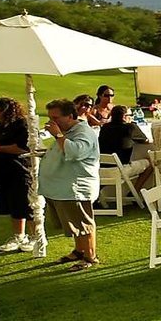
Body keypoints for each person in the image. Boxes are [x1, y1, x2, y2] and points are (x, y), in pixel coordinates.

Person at [41, 98, 100, 270]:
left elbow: (75, 152)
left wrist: (58, 134)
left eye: (56, 117)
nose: (52, 122)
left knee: (83, 223)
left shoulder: (83, 132)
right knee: (73, 222)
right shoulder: (69, 130)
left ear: (70, 116)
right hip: (62, 188)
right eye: (50, 117)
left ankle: (90, 257)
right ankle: (79, 250)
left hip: (76, 187)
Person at [0, 97, 35, 250]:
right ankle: (19, 236)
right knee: (12, 204)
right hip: (3, 171)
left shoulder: (22, 125)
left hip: (20, 170)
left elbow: (22, 148)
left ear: (3, 110)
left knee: (25, 203)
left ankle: (35, 236)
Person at [99, 105, 157, 193]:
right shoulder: (130, 127)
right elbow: (145, 140)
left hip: (102, 169)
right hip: (121, 169)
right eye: (130, 115)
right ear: (124, 116)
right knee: (150, 162)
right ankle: (135, 191)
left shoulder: (105, 128)